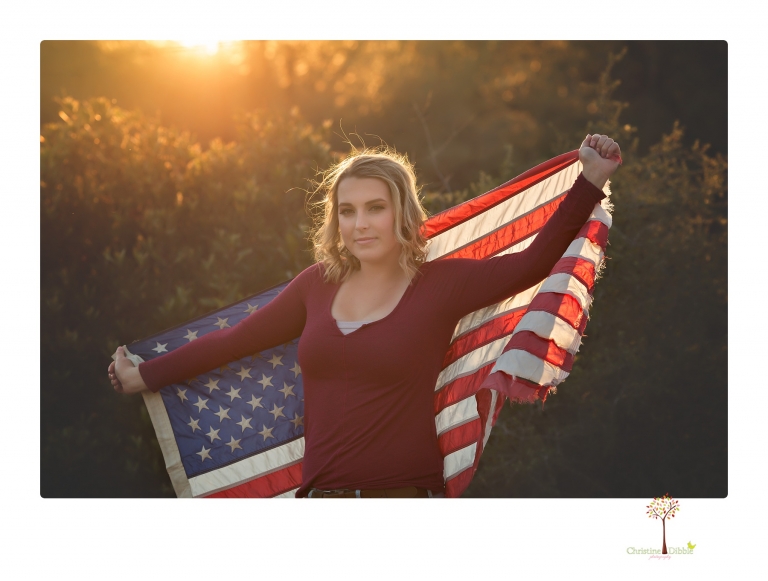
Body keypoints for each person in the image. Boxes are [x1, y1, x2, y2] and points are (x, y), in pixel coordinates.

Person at [108, 134, 621, 498]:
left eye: (375, 208)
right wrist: (144, 375)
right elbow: (234, 341)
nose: (360, 224)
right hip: (320, 504)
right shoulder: (315, 285)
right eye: (347, 211)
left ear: (402, 212)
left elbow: (531, 264)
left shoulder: (440, 285)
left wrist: (590, 180)